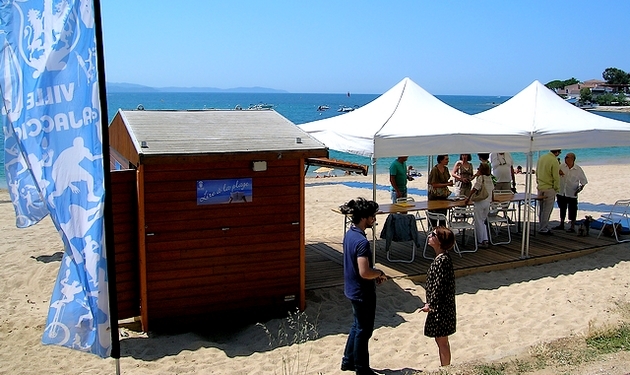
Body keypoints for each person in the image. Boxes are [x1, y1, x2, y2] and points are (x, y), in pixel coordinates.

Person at [339, 198, 388, 375]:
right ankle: (362, 368)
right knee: (363, 330)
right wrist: (379, 273)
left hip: (352, 288)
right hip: (362, 291)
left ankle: (348, 360)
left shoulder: (349, 234)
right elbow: (365, 271)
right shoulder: (361, 242)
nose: (374, 219)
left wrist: (375, 274)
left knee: (356, 325)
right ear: (364, 217)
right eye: (372, 216)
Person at [420, 226, 456, 367]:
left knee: (442, 340)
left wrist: (430, 305)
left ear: (440, 241)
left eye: (433, 235)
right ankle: (445, 366)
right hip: (442, 306)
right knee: (440, 339)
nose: (430, 236)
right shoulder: (441, 258)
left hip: (442, 308)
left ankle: (445, 368)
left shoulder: (442, 261)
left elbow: (439, 286)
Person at [553, 152, 588, 233]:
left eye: (567, 157)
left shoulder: (578, 169)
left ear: (572, 159)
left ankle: (572, 226)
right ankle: (561, 224)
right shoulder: (561, 166)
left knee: (572, 209)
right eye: (565, 157)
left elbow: (583, 182)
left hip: (572, 192)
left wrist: (579, 190)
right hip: (561, 191)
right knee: (562, 208)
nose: (565, 158)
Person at [465, 162, 495, 249]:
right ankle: (485, 239)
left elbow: (475, 188)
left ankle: (481, 240)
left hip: (481, 201)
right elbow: (492, 190)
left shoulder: (481, 178)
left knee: (478, 221)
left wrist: (468, 198)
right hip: (488, 202)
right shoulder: (489, 178)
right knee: (482, 221)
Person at [536, 149, 562, 234]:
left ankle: (542, 226)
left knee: (542, 208)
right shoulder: (554, 160)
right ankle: (543, 228)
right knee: (547, 209)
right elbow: (556, 176)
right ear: (557, 152)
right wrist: (556, 188)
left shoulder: (542, 158)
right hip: (549, 187)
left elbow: (537, 172)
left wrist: (538, 182)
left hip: (540, 186)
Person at [428, 155, 454, 225]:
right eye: (446, 159)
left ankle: (442, 233)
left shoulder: (446, 169)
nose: (448, 161)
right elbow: (434, 185)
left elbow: (446, 181)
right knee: (434, 218)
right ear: (441, 160)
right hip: (434, 196)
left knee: (442, 217)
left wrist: (449, 183)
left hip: (443, 196)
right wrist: (447, 184)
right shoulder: (435, 170)